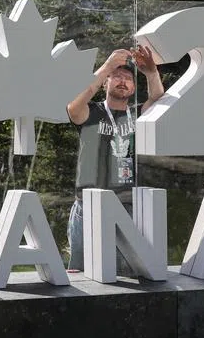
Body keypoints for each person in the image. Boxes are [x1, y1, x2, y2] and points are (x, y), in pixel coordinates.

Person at [65, 44, 165, 273]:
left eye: (128, 78)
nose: (123, 81)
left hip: (126, 207)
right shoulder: (91, 112)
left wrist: (151, 73)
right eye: (117, 77)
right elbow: (73, 108)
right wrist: (107, 66)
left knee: (125, 275)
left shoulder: (136, 114)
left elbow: (159, 102)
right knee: (81, 275)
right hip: (86, 206)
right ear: (105, 83)